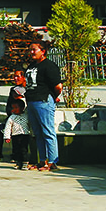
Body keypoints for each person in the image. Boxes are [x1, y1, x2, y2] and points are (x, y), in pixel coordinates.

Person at [24, 39, 63, 170]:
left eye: (34, 49)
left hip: (43, 101)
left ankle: (52, 161)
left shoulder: (49, 66)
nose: (31, 52)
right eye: (30, 50)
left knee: (47, 131)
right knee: (38, 133)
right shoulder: (31, 66)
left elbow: (58, 86)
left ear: (43, 51)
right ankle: (42, 160)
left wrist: (53, 97)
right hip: (31, 101)